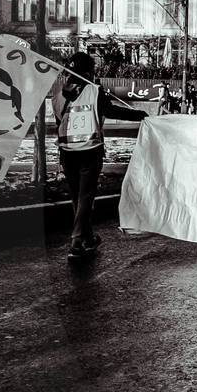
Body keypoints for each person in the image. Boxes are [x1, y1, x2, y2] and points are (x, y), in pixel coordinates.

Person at [52, 51, 147, 260]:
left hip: (67, 153)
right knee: (86, 197)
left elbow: (61, 126)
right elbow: (112, 112)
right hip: (90, 151)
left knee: (78, 197)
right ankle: (76, 242)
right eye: (92, 69)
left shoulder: (58, 97)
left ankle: (88, 238)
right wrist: (140, 115)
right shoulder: (94, 91)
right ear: (87, 71)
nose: (94, 73)